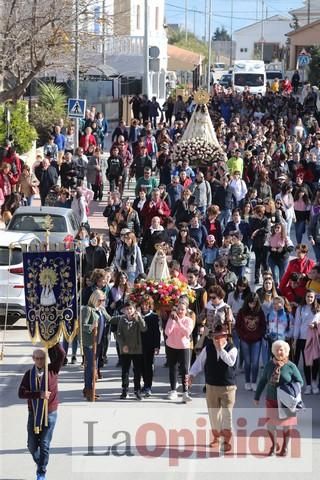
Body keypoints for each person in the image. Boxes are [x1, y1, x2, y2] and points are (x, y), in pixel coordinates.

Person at [18, 343, 65, 480]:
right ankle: (40, 463)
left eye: (42, 358)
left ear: (46, 359)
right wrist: (39, 394)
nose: (39, 361)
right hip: (33, 413)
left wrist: (53, 340)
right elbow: (21, 393)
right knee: (32, 445)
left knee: (44, 443)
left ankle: (41, 472)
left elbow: (61, 354)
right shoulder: (29, 374)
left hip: (50, 413)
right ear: (33, 359)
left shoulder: (53, 370)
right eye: (37, 358)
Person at [188, 323, 238, 453]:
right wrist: (191, 375)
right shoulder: (208, 348)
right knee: (214, 415)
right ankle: (217, 437)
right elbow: (199, 363)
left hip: (228, 387)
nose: (216, 339)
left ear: (225, 336)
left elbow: (230, 362)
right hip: (211, 386)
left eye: (219, 337)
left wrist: (221, 349)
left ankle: (226, 441)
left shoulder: (232, 348)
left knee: (227, 414)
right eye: (215, 337)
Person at [254, 340, 303, 456]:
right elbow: (262, 381)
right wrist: (257, 396)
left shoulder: (291, 366)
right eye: (276, 349)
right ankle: (274, 445)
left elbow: (300, 382)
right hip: (271, 399)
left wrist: (291, 389)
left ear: (286, 352)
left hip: (286, 401)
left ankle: (285, 448)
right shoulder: (269, 365)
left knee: (286, 425)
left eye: (281, 349)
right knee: (270, 424)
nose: (279, 352)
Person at [113, 301, 147, 400]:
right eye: (127, 309)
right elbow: (118, 335)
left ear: (134, 309)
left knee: (137, 371)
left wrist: (139, 317)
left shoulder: (137, 319)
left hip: (136, 349)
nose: (129, 311)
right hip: (125, 350)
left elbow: (144, 328)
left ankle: (137, 390)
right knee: (125, 371)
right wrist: (123, 345)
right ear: (124, 310)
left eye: (131, 309)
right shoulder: (122, 320)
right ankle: (125, 390)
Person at [165, 297, 194, 403]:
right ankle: (173, 390)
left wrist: (179, 322)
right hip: (171, 346)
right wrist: (173, 320)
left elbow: (187, 333)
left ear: (186, 311)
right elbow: (167, 332)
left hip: (184, 347)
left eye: (182, 309)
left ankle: (185, 392)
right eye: (179, 309)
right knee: (172, 368)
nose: (180, 311)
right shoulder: (171, 318)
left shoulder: (188, 320)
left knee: (185, 369)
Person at [236, 292, 266, 391]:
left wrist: (259, 335)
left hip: (256, 340)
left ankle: (254, 382)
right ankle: (247, 381)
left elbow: (263, 326)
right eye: (250, 303)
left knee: (255, 362)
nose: (252, 305)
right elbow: (238, 326)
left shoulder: (260, 312)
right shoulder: (242, 311)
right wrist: (242, 335)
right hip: (245, 340)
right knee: (247, 362)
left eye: (254, 303)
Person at [293, 290, 320, 395]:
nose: (309, 299)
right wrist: (295, 339)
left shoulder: (318, 309)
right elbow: (296, 324)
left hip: (314, 339)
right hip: (302, 339)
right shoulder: (300, 309)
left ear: (314, 299)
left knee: (316, 362)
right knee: (306, 363)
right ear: (305, 297)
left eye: (311, 297)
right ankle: (308, 385)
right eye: (308, 296)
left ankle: (314, 382)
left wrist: (315, 325)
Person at [140, 295, 161, 397]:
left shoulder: (154, 316)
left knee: (148, 366)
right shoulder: (138, 315)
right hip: (139, 345)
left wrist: (157, 346)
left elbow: (157, 333)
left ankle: (148, 385)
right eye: (143, 305)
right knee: (141, 366)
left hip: (150, 345)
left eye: (147, 305)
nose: (144, 307)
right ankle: (144, 384)